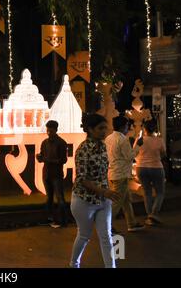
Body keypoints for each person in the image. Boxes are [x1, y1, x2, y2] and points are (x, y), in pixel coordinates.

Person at [70, 114, 121, 268]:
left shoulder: (104, 146)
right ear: (90, 130)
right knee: (84, 235)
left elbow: (104, 173)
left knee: (106, 236)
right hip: (84, 200)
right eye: (100, 128)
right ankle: (74, 263)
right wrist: (104, 192)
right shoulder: (83, 149)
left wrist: (106, 192)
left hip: (103, 200)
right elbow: (82, 179)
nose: (104, 131)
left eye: (105, 127)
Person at [105, 116, 145, 233]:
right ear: (123, 126)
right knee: (117, 202)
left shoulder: (109, 138)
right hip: (121, 174)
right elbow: (130, 156)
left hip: (113, 172)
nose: (129, 128)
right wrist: (138, 146)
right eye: (128, 126)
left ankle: (132, 223)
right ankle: (108, 226)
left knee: (126, 200)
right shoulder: (122, 139)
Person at [36, 120, 68, 228]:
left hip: (56, 174)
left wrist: (47, 159)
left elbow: (63, 160)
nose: (49, 132)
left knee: (59, 197)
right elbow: (42, 156)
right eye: (48, 130)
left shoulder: (61, 143)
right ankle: (51, 218)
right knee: (50, 197)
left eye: (51, 130)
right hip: (47, 173)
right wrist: (40, 158)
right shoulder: (44, 143)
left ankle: (62, 220)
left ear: (56, 130)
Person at [136, 120, 166, 226]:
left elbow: (135, 152)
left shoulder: (139, 140)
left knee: (147, 192)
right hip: (156, 167)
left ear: (144, 129)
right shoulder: (159, 140)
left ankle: (149, 216)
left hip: (141, 167)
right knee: (160, 192)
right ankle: (153, 214)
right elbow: (163, 154)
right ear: (155, 129)